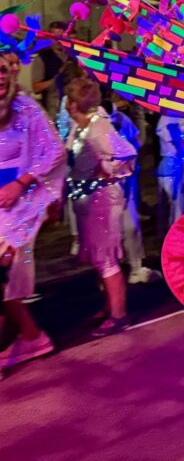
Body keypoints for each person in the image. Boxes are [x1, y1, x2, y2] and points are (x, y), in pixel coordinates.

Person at [0, 52, 65, 374]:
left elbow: (54, 150)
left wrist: (21, 183)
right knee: (4, 285)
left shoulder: (25, 107)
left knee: (3, 274)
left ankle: (32, 336)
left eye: (1, 69)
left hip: (17, 207)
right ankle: (31, 336)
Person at [65, 78, 137, 336]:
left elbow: (126, 154)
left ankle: (119, 315)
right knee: (99, 257)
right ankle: (110, 305)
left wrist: (103, 171)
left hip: (103, 202)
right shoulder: (83, 127)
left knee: (106, 259)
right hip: (90, 201)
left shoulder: (99, 128)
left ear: (72, 104)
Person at [109, 95, 160, 285]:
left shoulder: (122, 121)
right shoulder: (89, 126)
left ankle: (135, 266)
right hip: (102, 187)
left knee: (129, 224)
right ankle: (112, 269)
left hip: (123, 182)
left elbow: (134, 146)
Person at [31, 22, 81, 117]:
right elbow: (36, 88)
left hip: (74, 112)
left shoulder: (73, 56)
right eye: (55, 37)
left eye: (62, 37)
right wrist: (56, 79)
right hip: (53, 111)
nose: (59, 40)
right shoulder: (42, 58)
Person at [155, 115, 184, 226]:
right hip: (172, 167)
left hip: (182, 165)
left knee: (180, 206)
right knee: (178, 206)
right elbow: (176, 139)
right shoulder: (167, 118)